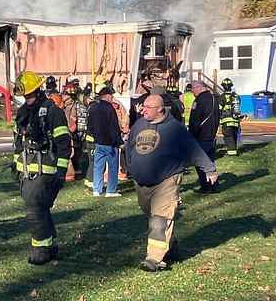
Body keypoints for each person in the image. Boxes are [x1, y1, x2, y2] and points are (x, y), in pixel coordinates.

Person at [125, 95, 218, 272]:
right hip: (142, 182)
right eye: (143, 106)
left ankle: (154, 258)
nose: (143, 110)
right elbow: (130, 147)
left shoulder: (175, 129)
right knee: (152, 215)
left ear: (160, 109)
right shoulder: (139, 125)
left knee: (159, 219)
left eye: (148, 107)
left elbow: (194, 149)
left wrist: (209, 169)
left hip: (167, 180)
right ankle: (170, 245)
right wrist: (132, 168)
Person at [12, 71, 71, 265]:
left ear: (38, 91)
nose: (26, 99)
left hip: (46, 170)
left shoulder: (52, 111)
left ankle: (42, 250)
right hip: (27, 171)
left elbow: (64, 143)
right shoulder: (23, 113)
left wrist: (62, 171)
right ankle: (51, 245)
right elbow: (18, 142)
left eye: (29, 95)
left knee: (34, 209)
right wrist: (16, 165)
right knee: (41, 209)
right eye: (24, 96)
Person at [87, 82, 124, 197]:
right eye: (111, 95)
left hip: (98, 142)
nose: (112, 97)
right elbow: (114, 128)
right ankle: (111, 190)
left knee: (98, 166)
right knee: (113, 167)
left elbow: (90, 126)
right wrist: (119, 141)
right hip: (110, 143)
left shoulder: (93, 107)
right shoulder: (110, 109)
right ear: (108, 96)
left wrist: (96, 135)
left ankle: (96, 189)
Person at [187, 80, 220, 194]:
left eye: (193, 88)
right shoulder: (214, 98)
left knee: (200, 162)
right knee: (210, 161)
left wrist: (191, 134)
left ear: (199, 88)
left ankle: (206, 186)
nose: (192, 91)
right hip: (211, 133)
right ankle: (214, 185)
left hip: (201, 134)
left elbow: (195, 119)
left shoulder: (199, 100)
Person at [62, 83, 88, 181]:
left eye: (65, 94)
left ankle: (70, 174)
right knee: (77, 153)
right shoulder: (78, 105)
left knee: (70, 153)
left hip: (73, 133)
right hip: (79, 134)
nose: (63, 96)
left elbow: (72, 126)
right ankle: (77, 170)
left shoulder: (69, 107)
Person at [218, 78, 243, 156]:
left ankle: (232, 153)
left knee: (228, 137)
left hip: (227, 121)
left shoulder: (222, 97)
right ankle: (234, 150)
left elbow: (219, 109)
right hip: (235, 120)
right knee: (234, 136)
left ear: (223, 87)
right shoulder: (236, 96)